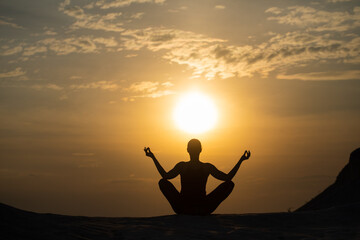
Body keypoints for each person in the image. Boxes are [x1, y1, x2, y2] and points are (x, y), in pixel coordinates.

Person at [144, 139, 251, 215]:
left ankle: (189, 210)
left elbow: (165, 176)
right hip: (197, 205)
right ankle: (195, 210)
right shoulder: (205, 167)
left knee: (162, 182)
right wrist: (241, 160)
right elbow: (228, 177)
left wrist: (153, 157)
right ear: (200, 150)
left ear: (187, 150)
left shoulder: (184, 166)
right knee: (163, 182)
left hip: (191, 205)